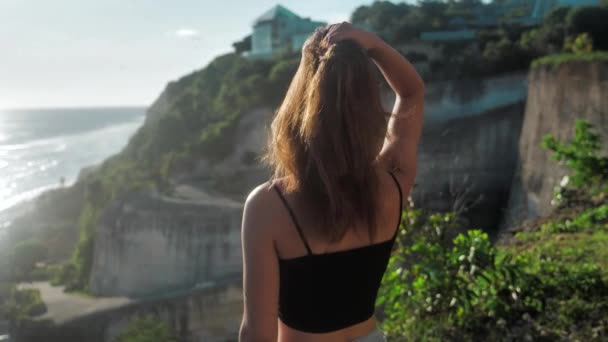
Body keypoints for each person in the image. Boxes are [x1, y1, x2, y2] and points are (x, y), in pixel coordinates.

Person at [239, 22, 424, 342]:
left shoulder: (269, 205)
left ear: (297, 104)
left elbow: (258, 333)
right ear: (368, 112)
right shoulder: (393, 183)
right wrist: (373, 43)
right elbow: (412, 93)